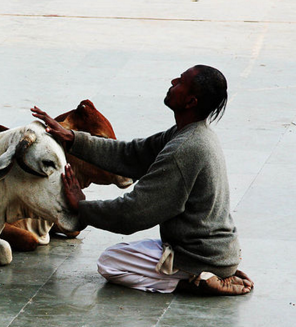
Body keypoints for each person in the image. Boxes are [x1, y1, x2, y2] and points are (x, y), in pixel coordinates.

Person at [31, 65, 254, 295]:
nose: (173, 80)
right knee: (127, 251)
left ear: (191, 102)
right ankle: (212, 272)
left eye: (181, 82)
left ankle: (196, 280)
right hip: (212, 251)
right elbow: (132, 154)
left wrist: (81, 207)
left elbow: (133, 212)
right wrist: (74, 139)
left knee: (110, 261)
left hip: (197, 256)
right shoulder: (191, 133)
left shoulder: (185, 148)